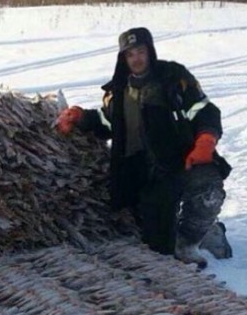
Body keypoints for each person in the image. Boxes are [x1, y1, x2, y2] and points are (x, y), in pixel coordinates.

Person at [55, 27, 232, 268]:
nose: (136, 58)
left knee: (207, 191)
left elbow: (204, 111)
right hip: (149, 172)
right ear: (123, 58)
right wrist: (80, 117)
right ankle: (199, 232)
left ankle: (191, 240)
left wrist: (206, 141)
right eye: (130, 54)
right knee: (158, 248)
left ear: (150, 51)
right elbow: (108, 122)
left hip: (185, 159)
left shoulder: (173, 78)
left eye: (140, 51)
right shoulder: (118, 91)